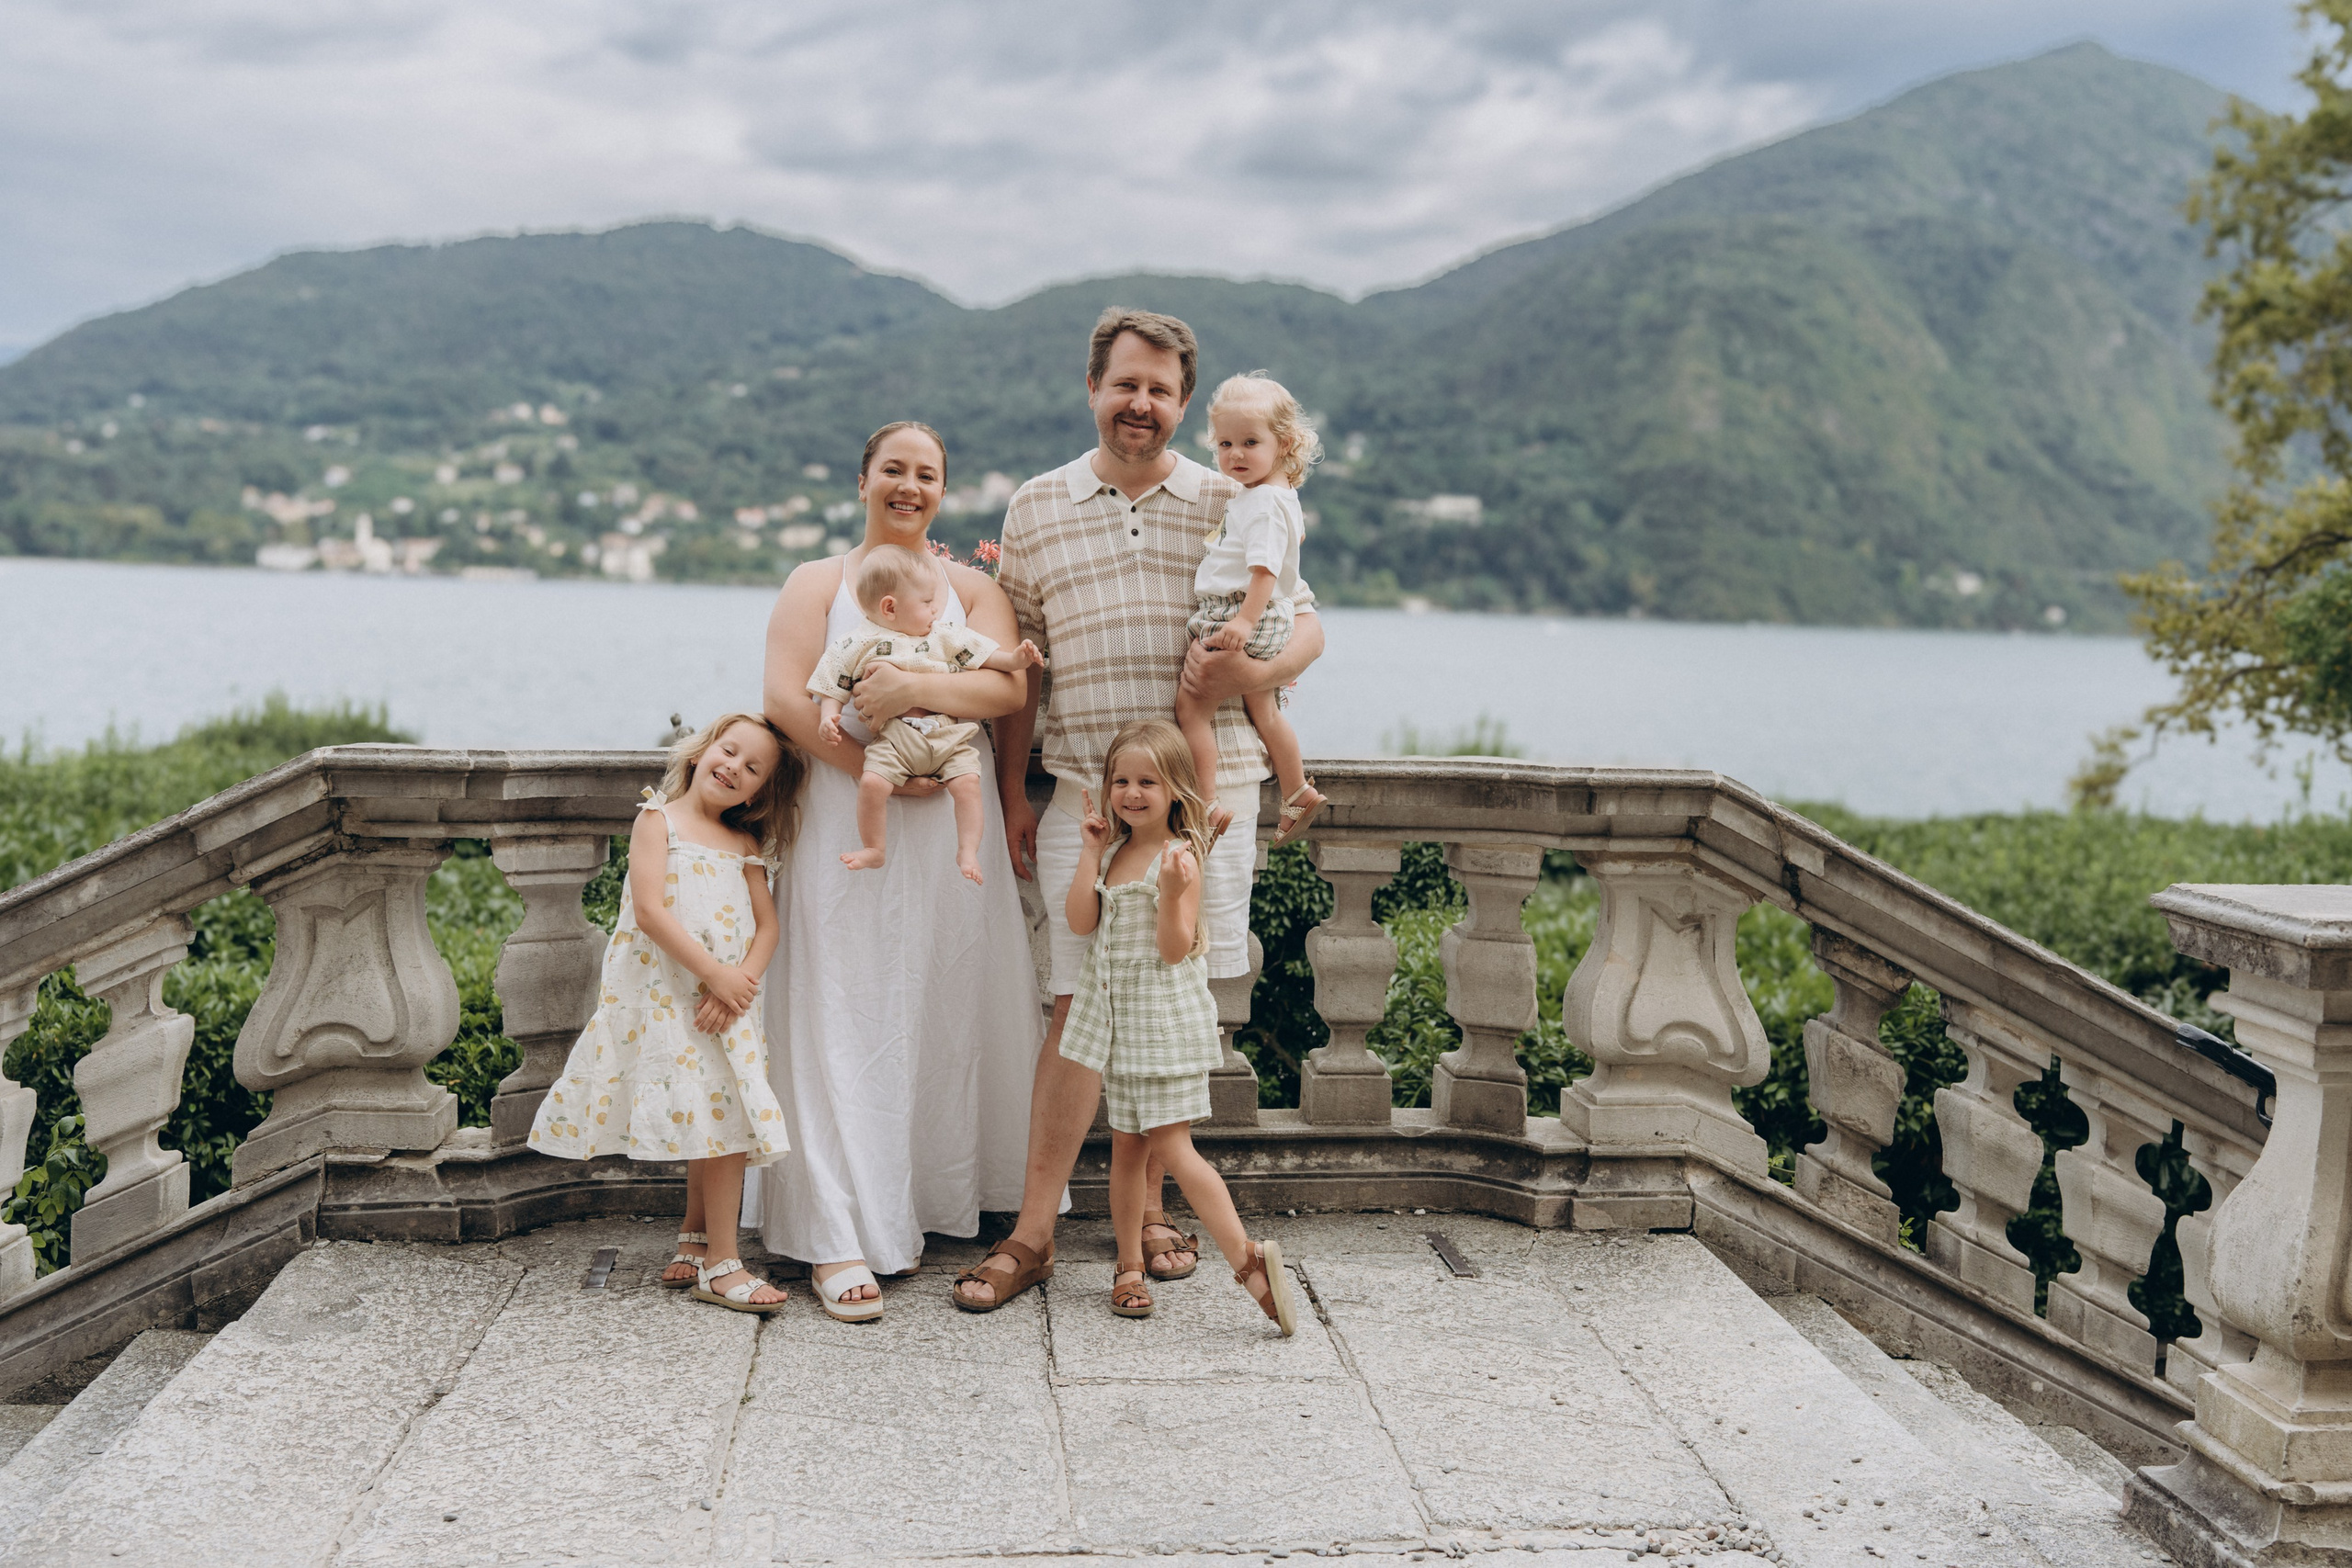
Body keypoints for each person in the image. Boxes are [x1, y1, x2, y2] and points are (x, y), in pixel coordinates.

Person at [954, 308, 1326, 1312]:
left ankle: (1148, 1217)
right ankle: (1034, 1233)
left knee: (1169, 1003)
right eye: (1126, 384)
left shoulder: (1232, 493)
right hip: (1085, 791)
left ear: (1184, 403)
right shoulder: (1036, 505)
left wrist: (1254, 669)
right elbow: (1022, 669)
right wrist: (1011, 790)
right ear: (1093, 387)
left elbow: (1307, 625)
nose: (1141, 404)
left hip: (1211, 794)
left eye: (1161, 390)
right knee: (1076, 1009)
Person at [757, 421, 1044, 1322]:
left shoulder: (972, 590)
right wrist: (875, 771)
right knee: (842, 1007)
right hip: (851, 819)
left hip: (952, 829)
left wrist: (916, 694)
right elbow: (784, 696)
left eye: (927, 473)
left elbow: (1007, 690)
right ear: (863, 480)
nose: (909, 486)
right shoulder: (816, 583)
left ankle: (925, 1198)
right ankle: (836, 1229)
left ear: (942, 491)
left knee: (941, 1004)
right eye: (893, 469)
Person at [527, 713, 800, 1315]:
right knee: (713, 1115)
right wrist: (714, 975)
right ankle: (722, 1266)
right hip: (672, 999)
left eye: (752, 768)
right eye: (729, 751)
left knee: (722, 1114)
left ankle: (703, 1242)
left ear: (759, 791)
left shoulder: (745, 844)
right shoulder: (658, 820)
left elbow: (768, 926)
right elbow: (651, 911)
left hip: (727, 1004)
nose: (734, 767)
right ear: (702, 751)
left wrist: (738, 984)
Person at [1062, 720, 1297, 1333]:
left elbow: (1174, 949)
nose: (1132, 792)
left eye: (1148, 781)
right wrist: (1089, 851)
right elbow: (1081, 921)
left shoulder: (1179, 857)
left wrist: (1171, 893)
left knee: (1171, 1147)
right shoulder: (1114, 852)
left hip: (1162, 1026)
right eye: (1121, 780)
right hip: (1124, 1027)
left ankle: (1246, 1260)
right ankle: (1128, 1264)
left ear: (1174, 790)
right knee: (1126, 1146)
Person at [808, 542, 1045, 883]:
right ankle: (874, 847)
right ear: (890, 607)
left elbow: (982, 655)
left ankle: (968, 850)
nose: (936, 610)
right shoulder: (857, 642)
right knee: (872, 783)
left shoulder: (942, 635)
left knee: (968, 783)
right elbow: (835, 681)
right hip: (894, 740)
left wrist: (1014, 659)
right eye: (926, 602)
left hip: (946, 734)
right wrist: (828, 716)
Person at [1176, 372, 1326, 844]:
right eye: (1225, 444)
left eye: (1249, 442)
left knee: (1191, 708)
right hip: (1266, 613)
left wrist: (1243, 622)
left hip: (1240, 611)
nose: (1234, 454)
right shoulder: (1279, 497)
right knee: (1265, 710)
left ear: (1285, 444)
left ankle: (1206, 805)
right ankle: (1296, 790)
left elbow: (1264, 571)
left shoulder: (1261, 503)